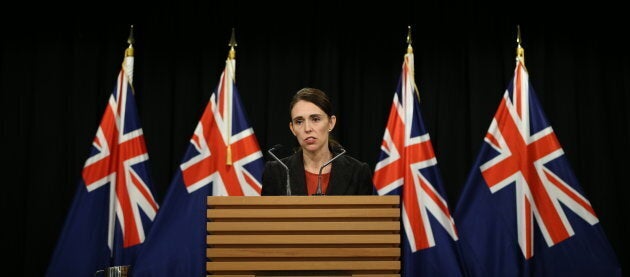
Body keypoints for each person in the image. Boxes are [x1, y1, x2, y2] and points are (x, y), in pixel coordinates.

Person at [262, 87, 374, 196]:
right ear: (292, 128)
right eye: (299, 122)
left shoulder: (358, 172)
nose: (307, 128)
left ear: (331, 123)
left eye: (315, 119)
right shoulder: (276, 172)